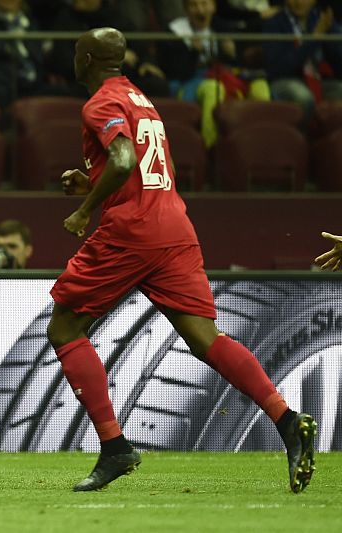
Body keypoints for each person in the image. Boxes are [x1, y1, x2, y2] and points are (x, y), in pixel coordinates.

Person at [47, 27, 317, 493]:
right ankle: (287, 419)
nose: (73, 57)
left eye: (75, 51)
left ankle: (114, 447)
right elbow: (136, 166)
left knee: (65, 328)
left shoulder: (99, 103)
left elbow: (125, 158)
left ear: (87, 57)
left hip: (132, 232)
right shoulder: (141, 98)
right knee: (205, 339)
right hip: (174, 226)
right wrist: (94, 182)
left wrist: (85, 210)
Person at [159, 0, 271, 148]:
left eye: (204, 4)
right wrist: (193, 52)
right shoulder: (173, 31)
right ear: (186, 10)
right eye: (194, 5)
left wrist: (232, 54)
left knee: (260, 86)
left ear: (213, 6)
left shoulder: (222, 28)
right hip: (190, 82)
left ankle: (259, 143)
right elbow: (174, 71)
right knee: (213, 88)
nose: (200, 10)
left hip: (225, 77)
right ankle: (211, 147)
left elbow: (236, 65)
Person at [262, 0, 342, 121]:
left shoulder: (321, 19)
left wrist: (330, 33)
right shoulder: (274, 23)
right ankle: (300, 139)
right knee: (303, 97)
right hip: (284, 80)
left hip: (317, 80)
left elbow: (338, 63)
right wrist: (315, 38)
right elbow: (279, 68)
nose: (299, 2)